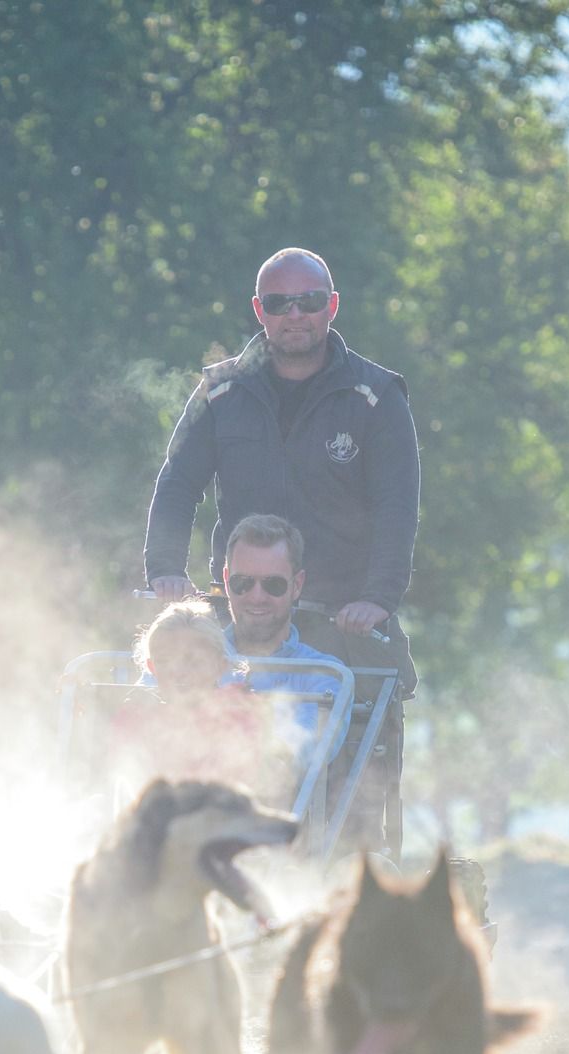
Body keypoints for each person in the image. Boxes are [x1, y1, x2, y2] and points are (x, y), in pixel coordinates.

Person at [140, 246, 419, 851]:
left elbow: (397, 509)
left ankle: (341, 885)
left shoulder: (375, 396)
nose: (295, 314)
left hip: (342, 621)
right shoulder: (220, 392)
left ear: (332, 306)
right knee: (184, 723)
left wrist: (377, 599)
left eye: (309, 301)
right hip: (246, 605)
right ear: (259, 311)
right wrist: (165, 571)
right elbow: (178, 482)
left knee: (348, 783)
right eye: (279, 303)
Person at [108, 597, 287, 803]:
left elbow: (240, 787)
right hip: (152, 823)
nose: (178, 671)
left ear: (219, 666)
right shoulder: (137, 719)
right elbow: (122, 782)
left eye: (193, 660)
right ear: (151, 667)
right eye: (165, 660)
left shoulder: (239, 715)